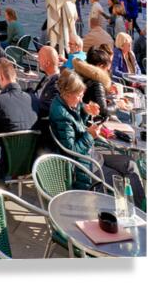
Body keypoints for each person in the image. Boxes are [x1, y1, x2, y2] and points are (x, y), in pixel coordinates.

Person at [49, 68, 143, 204]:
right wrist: (90, 135)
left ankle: (142, 209)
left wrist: (86, 111)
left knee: (130, 164)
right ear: (67, 93)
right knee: (121, 179)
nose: (81, 99)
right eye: (79, 95)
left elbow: (77, 120)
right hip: (82, 166)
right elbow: (71, 151)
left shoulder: (69, 103)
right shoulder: (61, 114)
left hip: (91, 156)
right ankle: (136, 211)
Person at [28, 46, 61, 122]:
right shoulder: (48, 76)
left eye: (39, 58)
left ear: (47, 63)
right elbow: (37, 93)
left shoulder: (57, 82)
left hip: (40, 122)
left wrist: (28, 99)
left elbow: (46, 108)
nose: (37, 60)